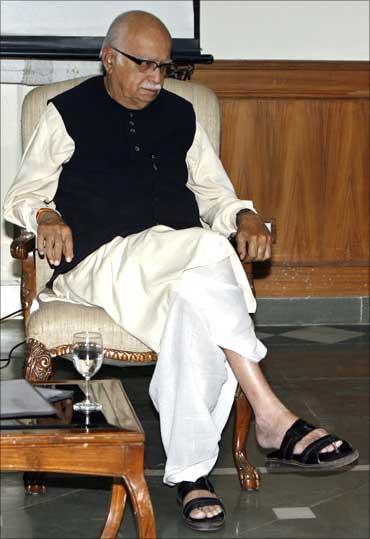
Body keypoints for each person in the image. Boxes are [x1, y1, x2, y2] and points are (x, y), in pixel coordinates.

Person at [3, 10, 358, 533]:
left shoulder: (181, 114)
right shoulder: (64, 112)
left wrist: (242, 214)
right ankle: (271, 413)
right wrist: (47, 214)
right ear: (109, 58)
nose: (154, 77)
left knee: (195, 313)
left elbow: (214, 193)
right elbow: (22, 194)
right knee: (208, 250)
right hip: (100, 262)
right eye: (143, 64)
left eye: (163, 67)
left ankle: (192, 475)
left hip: (177, 265)